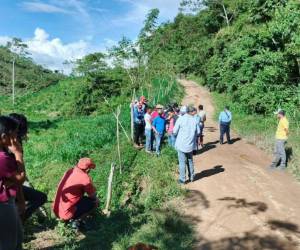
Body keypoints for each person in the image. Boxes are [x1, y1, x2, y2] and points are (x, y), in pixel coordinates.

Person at [9, 113, 47, 221]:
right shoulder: (13, 146)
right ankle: (18, 220)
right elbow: (18, 177)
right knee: (40, 198)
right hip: (9, 187)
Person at [0, 116, 25, 250]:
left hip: (8, 202)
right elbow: (21, 178)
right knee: (8, 244)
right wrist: (18, 154)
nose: (16, 136)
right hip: (3, 205)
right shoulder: (2, 158)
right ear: (4, 136)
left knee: (18, 237)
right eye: (14, 133)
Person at [52, 158, 99, 229]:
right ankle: (76, 221)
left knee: (82, 199)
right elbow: (93, 195)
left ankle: (68, 219)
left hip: (56, 209)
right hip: (66, 213)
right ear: (88, 169)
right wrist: (96, 198)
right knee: (94, 202)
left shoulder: (70, 171)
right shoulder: (85, 178)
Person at [173, 107, 200, 184]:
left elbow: (174, 131)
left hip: (181, 145)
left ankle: (182, 179)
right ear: (191, 112)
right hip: (190, 145)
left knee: (182, 162)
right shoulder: (195, 120)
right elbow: (198, 132)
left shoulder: (181, 119)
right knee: (190, 161)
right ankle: (192, 177)